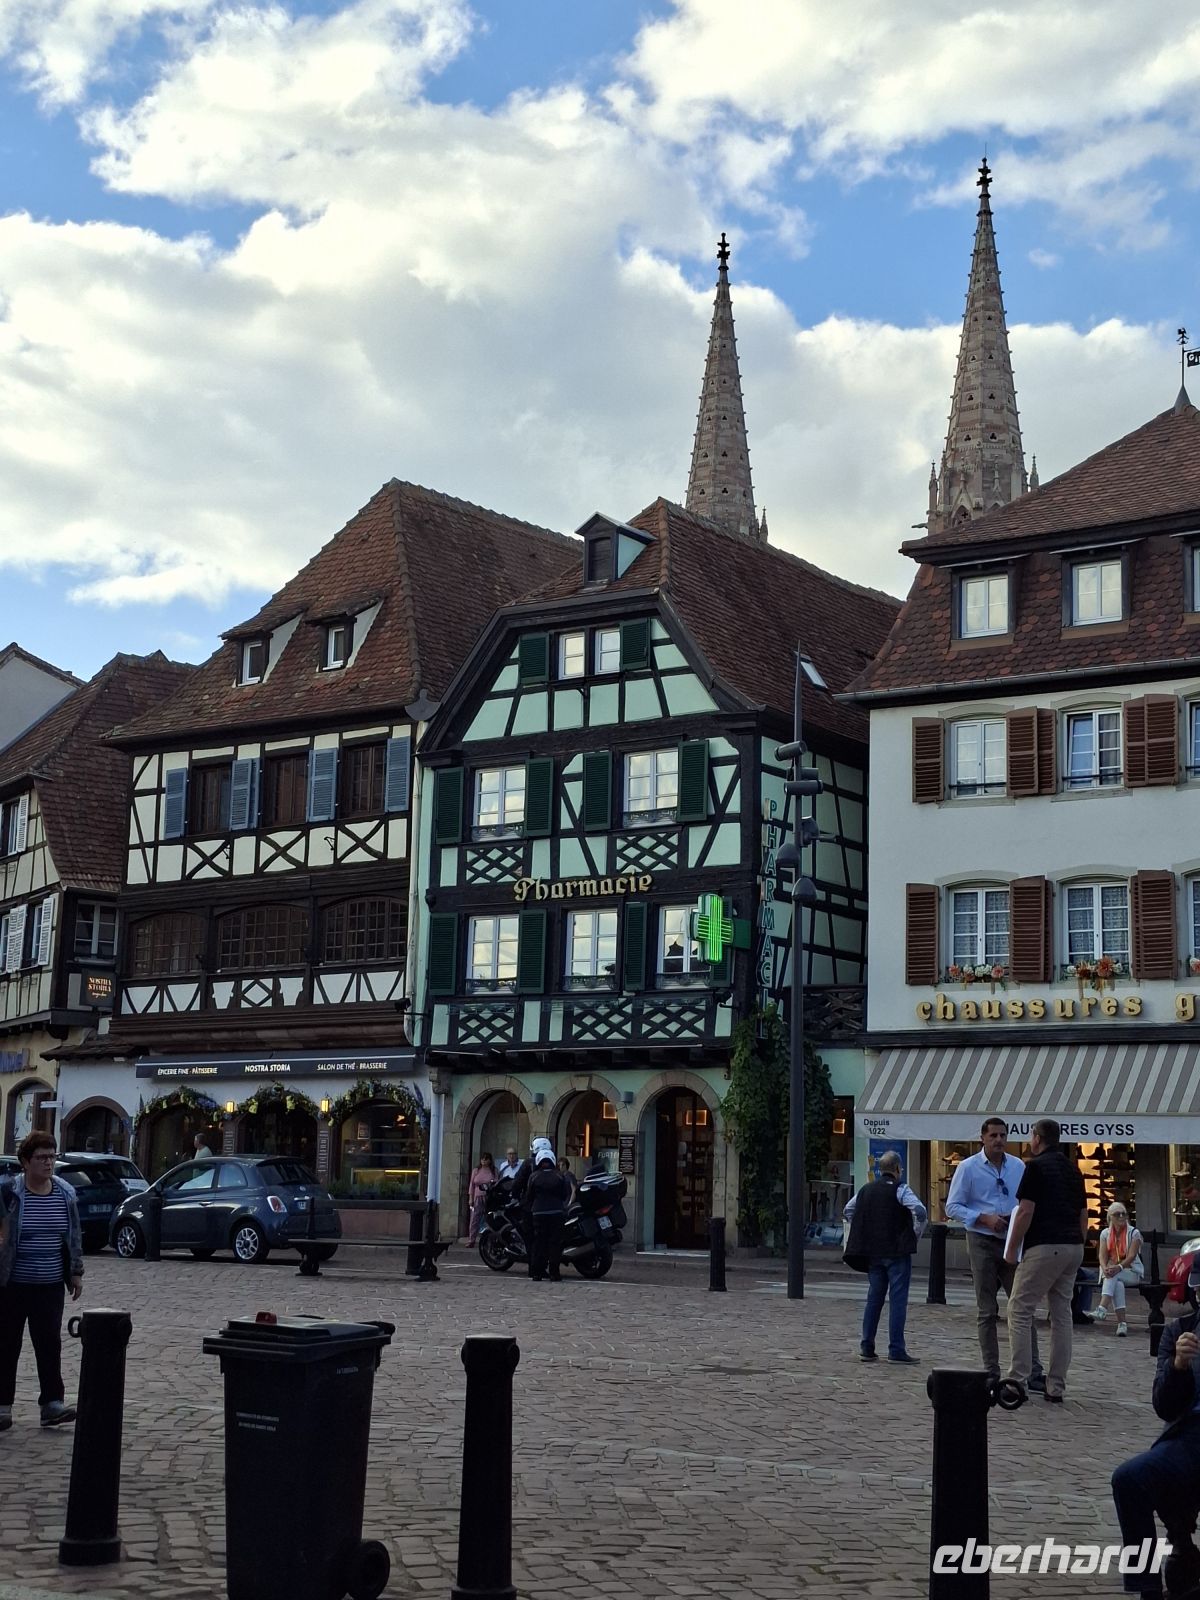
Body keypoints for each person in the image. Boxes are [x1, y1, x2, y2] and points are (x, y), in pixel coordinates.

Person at [945, 1117, 1044, 1391]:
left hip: (1012, 1239)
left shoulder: (1018, 1166)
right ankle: (991, 1369)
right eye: (993, 1136)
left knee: (1022, 1308)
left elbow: (1026, 1201)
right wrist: (982, 1218)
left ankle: (1032, 1369)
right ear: (983, 1138)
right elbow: (952, 1206)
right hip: (982, 1240)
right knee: (987, 1310)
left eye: (1003, 1135)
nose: (999, 1140)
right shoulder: (968, 1168)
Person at [1111, 1307, 1200, 1598]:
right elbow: (1164, 1406)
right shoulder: (1180, 1331)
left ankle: (1183, 1550)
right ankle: (1147, 1588)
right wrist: (1178, 1366)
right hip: (1189, 1437)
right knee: (1129, 1479)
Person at [0, 1131, 84, 1429]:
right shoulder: (10, 1193)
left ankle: (52, 1403)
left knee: (49, 1344)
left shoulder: (65, 1193)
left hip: (49, 1284)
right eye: (42, 1157)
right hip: (12, 1283)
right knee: (6, 1344)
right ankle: (2, 1406)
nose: (48, 1163)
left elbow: (73, 1236)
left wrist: (75, 1271)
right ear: (25, 1162)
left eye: (52, 1156)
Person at [1003, 1118, 1087, 1404]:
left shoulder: (1035, 1167)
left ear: (1038, 1138)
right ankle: (1056, 1385)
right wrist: (1078, 1241)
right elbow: (1082, 1215)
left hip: (1045, 1244)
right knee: (1061, 1313)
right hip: (1073, 1245)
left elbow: (1025, 1211)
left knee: (1020, 1307)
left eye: (1031, 1136)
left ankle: (1017, 1379)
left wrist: (1012, 1249)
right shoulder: (1074, 1170)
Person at [843, 1150, 927, 1364]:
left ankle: (867, 1346)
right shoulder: (901, 1189)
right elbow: (920, 1211)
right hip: (897, 1251)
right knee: (898, 1300)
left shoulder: (866, 1189)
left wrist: (866, 1227)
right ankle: (896, 1349)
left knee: (874, 1298)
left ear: (880, 1169)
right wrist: (914, 1234)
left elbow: (848, 1210)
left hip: (873, 1251)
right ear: (898, 1169)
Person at [1085, 1202, 1144, 1337]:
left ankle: (1102, 1308)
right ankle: (1122, 1324)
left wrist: (1118, 1267)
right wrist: (1105, 1267)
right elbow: (1102, 1255)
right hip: (1113, 1272)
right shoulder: (1105, 1234)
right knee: (1117, 1284)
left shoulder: (1134, 1233)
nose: (1122, 1217)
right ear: (1110, 1217)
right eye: (1118, 1214)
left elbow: (1131, 1256)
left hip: (1131, 1272)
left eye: (1124, 1213)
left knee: (1112, 1276)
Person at [526, 1144, 572, 1283]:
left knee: (539, 1243)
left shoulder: (533, 1176)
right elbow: (565, 1194)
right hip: (556, 1212)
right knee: (555, 1244)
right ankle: (554, 1273)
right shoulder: (559, 1176)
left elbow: (529, 1196)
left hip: (538, 1212)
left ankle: (537, 1273)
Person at [467, 1152, 498, 1246]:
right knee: (474, 1219)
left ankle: (490, 1240)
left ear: (489, 1160)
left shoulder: (493, 1170)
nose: (484, 1161)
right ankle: (471, 1239)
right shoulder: (476, 1170)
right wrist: (470, 1198)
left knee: (489, 1218)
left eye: (486, 1159)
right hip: (477, 1196)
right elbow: (471, 1185)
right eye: (482, 1159)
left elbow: (496, 1183)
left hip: (489, 1196)